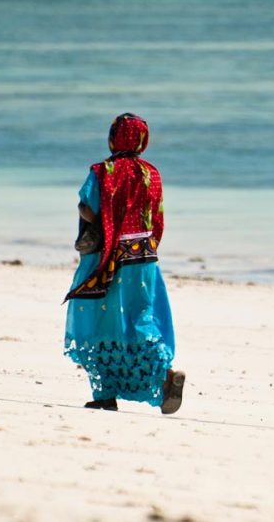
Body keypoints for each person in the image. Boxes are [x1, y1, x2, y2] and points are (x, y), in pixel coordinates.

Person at [63, 113, 185, 413]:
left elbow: (89, 208)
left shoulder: (103, 171)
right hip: (142, 258)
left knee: (100, 322)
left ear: (112, 138)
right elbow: (156, 218)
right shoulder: (151, 173)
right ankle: (163, 373)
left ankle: (105, 393)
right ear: (143, 141)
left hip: (106, 260)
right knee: (140, 319)